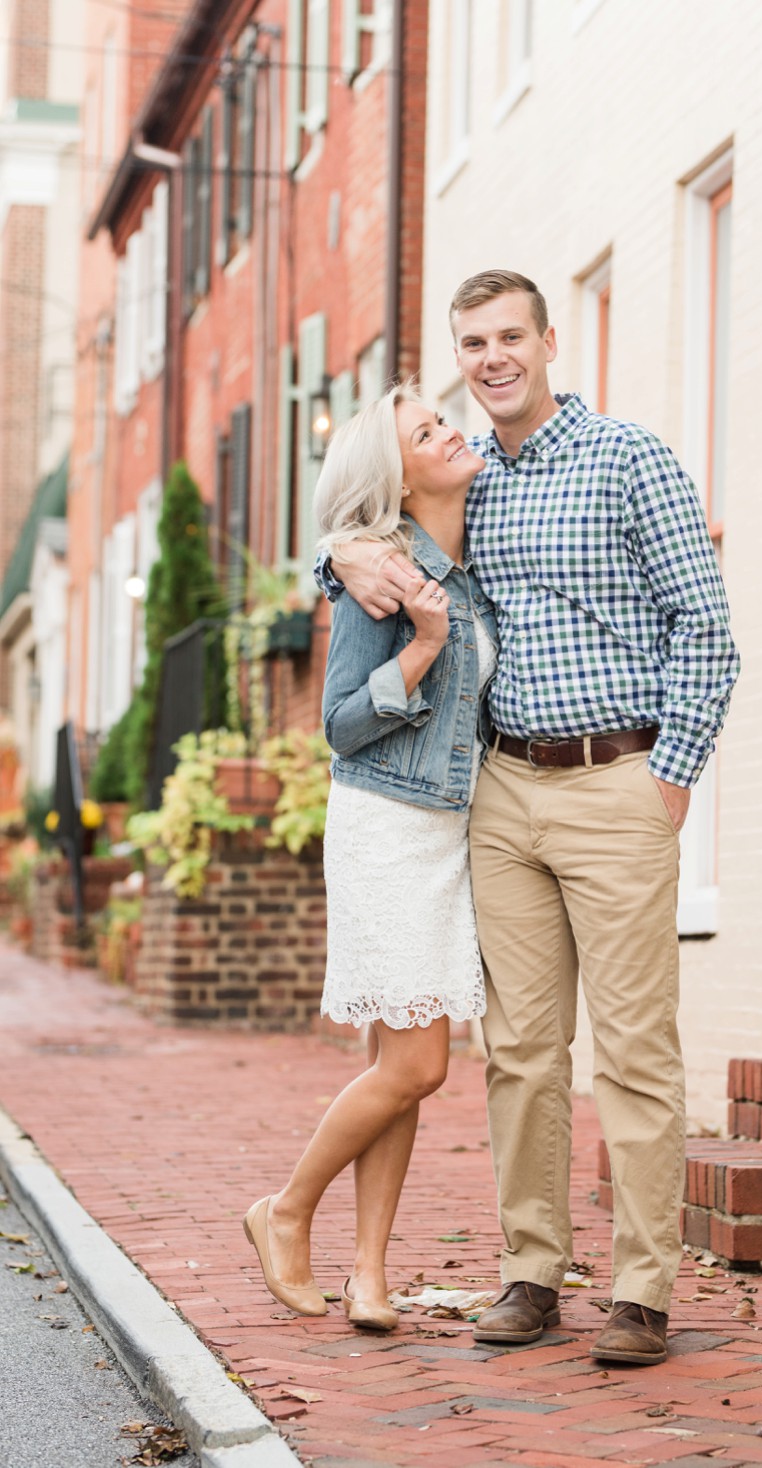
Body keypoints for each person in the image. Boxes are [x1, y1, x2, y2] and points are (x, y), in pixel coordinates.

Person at [325, 269, 740, 1366]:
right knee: (520, 1049)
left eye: (510, 334)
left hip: (617, 777)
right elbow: (372, 517)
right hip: (501, 793)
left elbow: (704, 627)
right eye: (473, 341)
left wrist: (672, 777)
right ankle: (528, 1273)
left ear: (548, 340)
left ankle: (643, 1289)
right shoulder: (471, 482)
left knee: (636, 1048)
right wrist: (335, 550)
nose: (492, 356)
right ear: (461, 357)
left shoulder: (629, 457)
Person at [243, 384, 497, 1331]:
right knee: (420, 1065)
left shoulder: (469, 552)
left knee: (404, 1057)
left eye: (440, 418)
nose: (450, 428)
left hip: (444, 831)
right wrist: (424, 649)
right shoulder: (381, 577)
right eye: (427, 431)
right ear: (397, 475)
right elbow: (340, 726)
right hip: (386, 828)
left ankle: (369, 1275)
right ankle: (285, 1210)